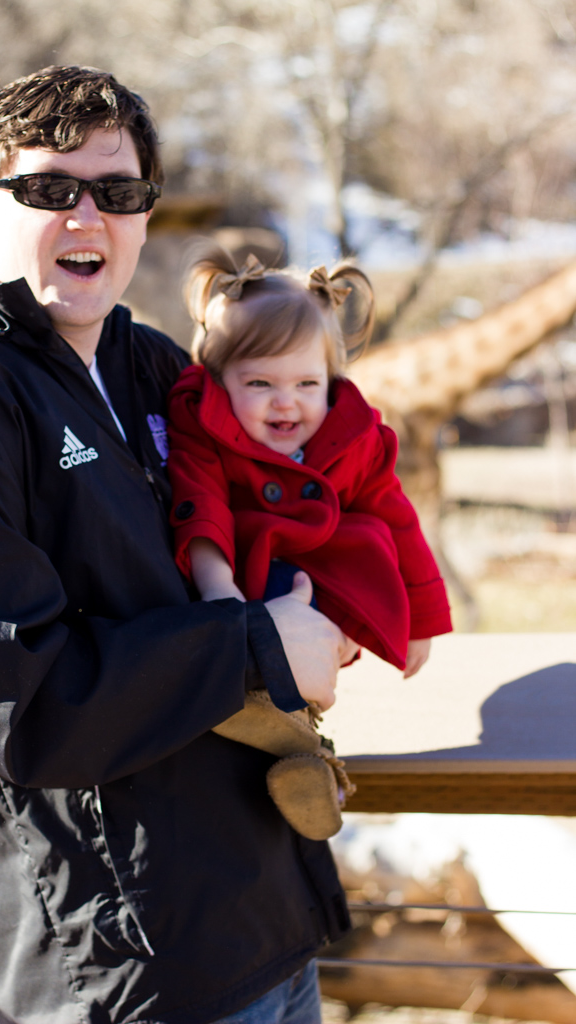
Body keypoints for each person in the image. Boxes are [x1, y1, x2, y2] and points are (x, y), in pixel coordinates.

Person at [0, 66, 355, 1024]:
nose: (87, 217)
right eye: (49, 189)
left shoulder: (145, 359)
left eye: (118, 192)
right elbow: (5, 697)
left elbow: (276, 503)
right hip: (129, 964)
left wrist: (337, 600)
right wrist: (261, 647)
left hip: (260, 912)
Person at [166, 245, 452, 839]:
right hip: (252, 587)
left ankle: (298, 738)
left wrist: (422, 618)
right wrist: (220, 595)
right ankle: (302, 754)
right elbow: (202, 506)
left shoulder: (357, 436)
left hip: (335, 586)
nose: (286, 401)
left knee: (315, 649)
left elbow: (397, 517)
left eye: (306, 382)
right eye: (259, 383)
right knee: (271, 644)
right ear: (218, 380)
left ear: (332, 379)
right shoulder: (202, 425)